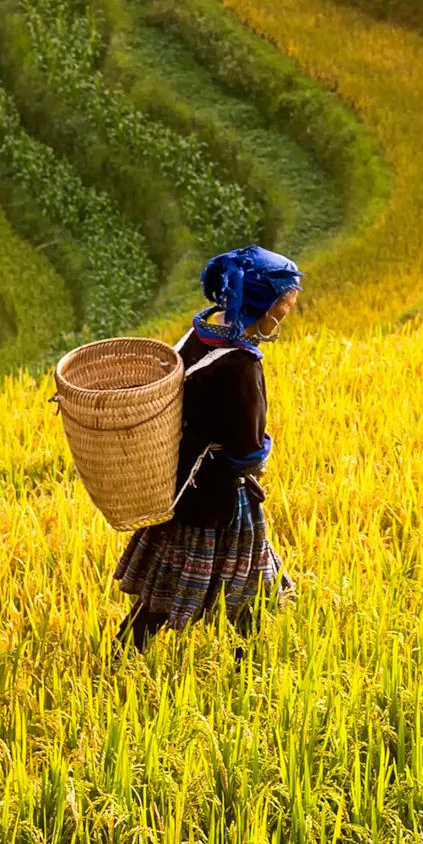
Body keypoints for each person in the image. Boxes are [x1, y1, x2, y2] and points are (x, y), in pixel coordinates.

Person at [116, 245, 300, 649]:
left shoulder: (198, 334)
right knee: (244, 585)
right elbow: (247, 448)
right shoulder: (240, 366)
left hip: (180, 482)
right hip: (220, 496)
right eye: (280, 311)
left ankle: (127, 650)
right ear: (258, 305)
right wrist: (260, 460)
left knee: (169, 584)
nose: (279, 320)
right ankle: (247, 663)